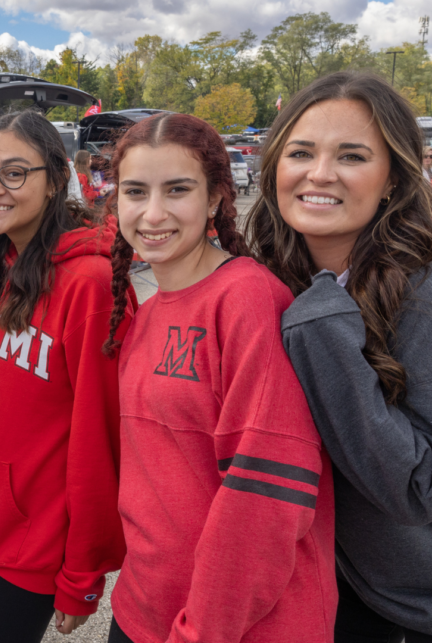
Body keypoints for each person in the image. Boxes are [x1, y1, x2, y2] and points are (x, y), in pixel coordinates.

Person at [104, 112, 336, 643]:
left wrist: (204, 630)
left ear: (214, 199)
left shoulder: (247, 299)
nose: (153, 212)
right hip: (145, 611)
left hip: (241, 626)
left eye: (177, 190)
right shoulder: (144, 311)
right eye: (135, 191)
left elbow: (267, 494)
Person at [0, 110, 131, 642]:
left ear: (55, 180)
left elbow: (100, 439)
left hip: (32, 540)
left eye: (14, 173)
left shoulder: (91, 282)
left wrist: (84, 572)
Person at [249, 71, 432, 643]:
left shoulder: (421, 295)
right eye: (301, 152)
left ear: (394, 179)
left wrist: (322, 326)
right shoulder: (268, 278)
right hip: (311, 585)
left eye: (350, 155)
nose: (319, 173)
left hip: (403, 608)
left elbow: (416, 488)